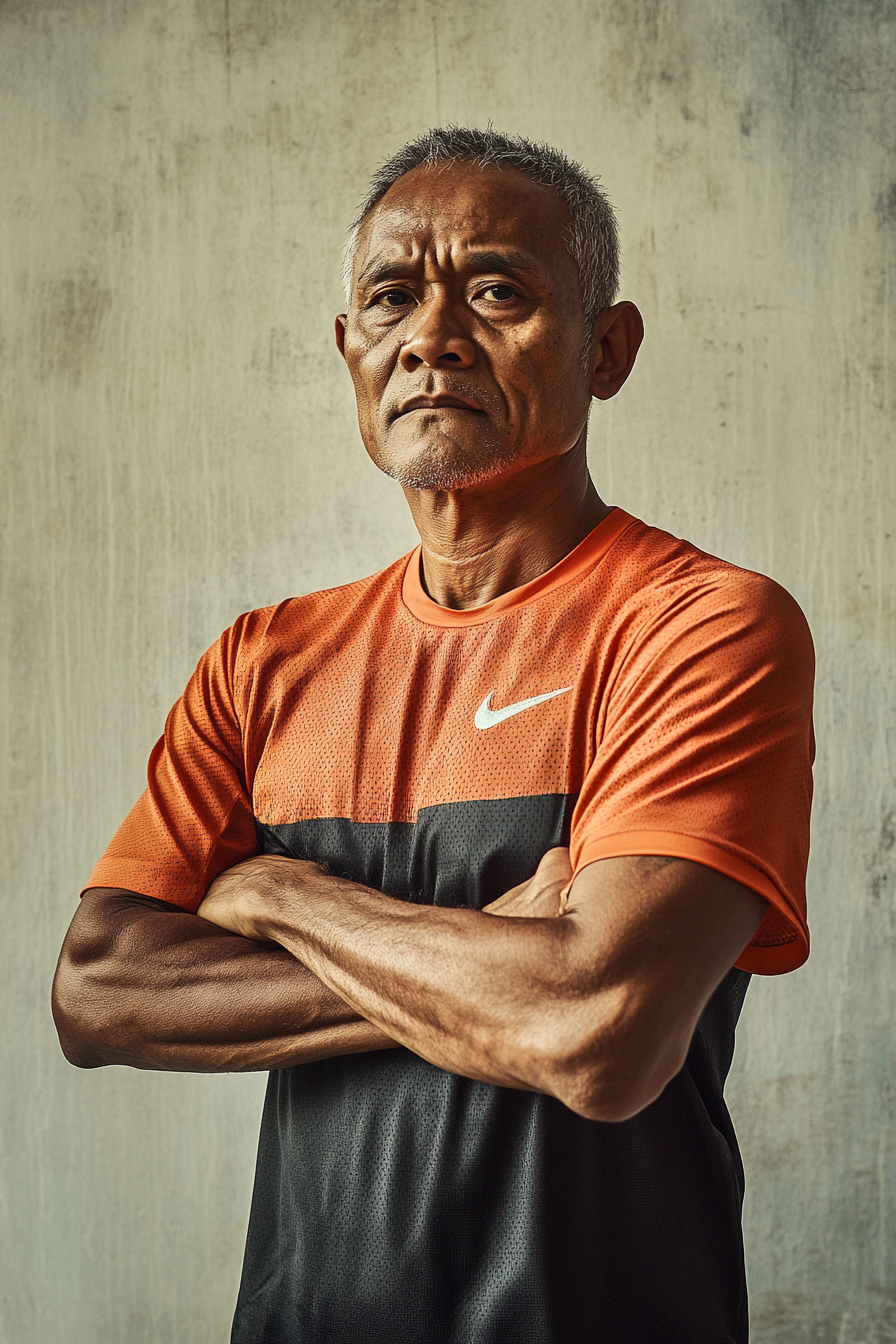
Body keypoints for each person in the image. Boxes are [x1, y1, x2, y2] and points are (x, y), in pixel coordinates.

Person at [52, 127, 814, 1344]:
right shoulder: (264, 662)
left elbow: (598, 1030)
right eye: (391, 298)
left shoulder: (701, 628)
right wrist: (501, 953)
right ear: (349, 352)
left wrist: (284, 894)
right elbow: (97, 990)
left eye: (499, 290)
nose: (432, 335)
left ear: (605, 349)